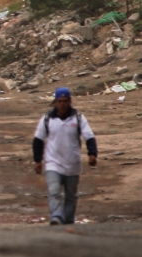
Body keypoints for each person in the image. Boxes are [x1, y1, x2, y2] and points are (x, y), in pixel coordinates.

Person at [33, 87, 98, 225]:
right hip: (53, 163)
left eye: (65, 101)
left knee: (71, 195)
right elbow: (38, 139)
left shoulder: (78, 118)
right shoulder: (47, 119)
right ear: (55, 102)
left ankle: (68, 220)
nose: (62, 104)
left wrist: (92, 154)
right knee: (54, 191)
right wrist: (38, 160)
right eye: (59, 101)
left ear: (70, 101)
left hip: (73, 164)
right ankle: (56, 217)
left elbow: (89, 136)